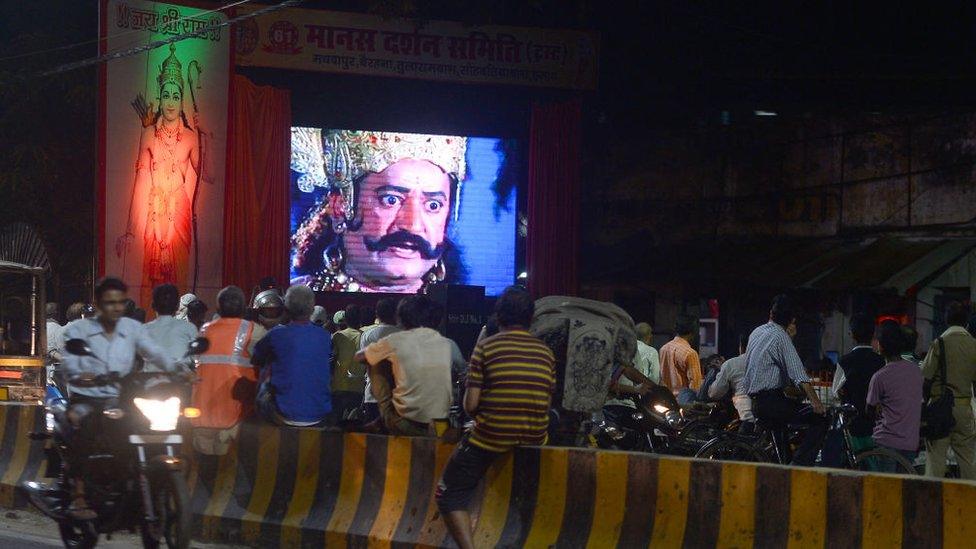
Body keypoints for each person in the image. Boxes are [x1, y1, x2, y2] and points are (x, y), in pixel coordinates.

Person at [436, 287, 555, 549]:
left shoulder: (486, 347)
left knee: (448, 494)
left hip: (491, 437)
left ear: (498, 316)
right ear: (531, 319)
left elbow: (470, 405)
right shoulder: (545, 352)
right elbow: (545, 403)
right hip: (536, 437)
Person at [290, 129, 468, 293]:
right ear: (340, 208)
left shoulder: (458, 306)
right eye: (391, 200)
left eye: (433, 206)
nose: (412, 225)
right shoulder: (298, 301)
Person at [61, 277, 174, 519]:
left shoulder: (132, 329)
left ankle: (128, 483)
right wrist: (83, 375)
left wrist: (178, 369)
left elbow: (153, 351)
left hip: (117, 397)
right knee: (85, 427)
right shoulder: (78, 330)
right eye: (109, 302)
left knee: (138, 424)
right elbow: (69, 363)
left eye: (120, 302)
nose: (115, 307)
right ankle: (78, 496)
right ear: (98, 302)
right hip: (85, 398)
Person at [116, 44, 211, 309]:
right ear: (160, 97)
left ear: (182, 99)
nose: (170, 101)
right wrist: (129, 232)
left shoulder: (191, 137)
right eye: (166, 94)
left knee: (178, 276)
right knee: (151, 277)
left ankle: (177, 327)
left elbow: (210, 175)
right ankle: (150, 326)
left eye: (175, 95)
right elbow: (139, 182)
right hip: (154, 210)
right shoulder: (148, 134)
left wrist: (206, 136)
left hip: (179, 211)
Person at [741, 294, 826, 466]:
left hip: (756, 401)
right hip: (772, 402)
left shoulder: (757, 332)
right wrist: (816, 403)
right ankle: (800, 466)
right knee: (821, 420)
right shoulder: (780, 336)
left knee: (783, 451)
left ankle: (786, 469)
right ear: (792, 320)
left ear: (771, 314)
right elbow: (799, 374)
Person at [356, 295, 453, 436]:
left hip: (405, 422)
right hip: (439, 423)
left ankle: (387, 416)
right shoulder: (446, 344)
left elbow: (359, 357)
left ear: (402, 317)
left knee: (376, 363)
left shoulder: (397, 340)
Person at [191, 286, 266, 455]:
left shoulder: (203, 330)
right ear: (244, 307)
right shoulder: (253, 331)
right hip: (235, 418)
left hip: (201, 417)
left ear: (218, 308)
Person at [252, 285, 334, 427]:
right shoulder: (325, 336)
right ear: (312, 308)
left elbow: (256, 359)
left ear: (286, 309)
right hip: (320, 414)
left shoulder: (276, 334)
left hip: (283, 414)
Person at [921, 301, 976, 479]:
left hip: (940, 408)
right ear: (966, 322)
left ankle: (933, 501)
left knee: (936, 459)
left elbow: (926, 377)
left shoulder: (940, 343)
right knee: (968, 458)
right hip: (965, 408)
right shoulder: (974, 344)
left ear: (946, 321)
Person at [866, 321, 923, 471]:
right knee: (902, 489)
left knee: (885, 490)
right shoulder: (916, 372)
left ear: (881, 346)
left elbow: (869, 410)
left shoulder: (880, 376)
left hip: (887, 442)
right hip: (910, 442)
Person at [830, 313, 885, 452]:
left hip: (852, 425)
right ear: (873, 335)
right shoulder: (881, 361)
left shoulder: (844, 361)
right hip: (876, 425)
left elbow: (835, 393)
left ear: (852, 335)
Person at [359, 298, 401, 422]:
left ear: (377, 314)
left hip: (373, 395)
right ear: (396, 314)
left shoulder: (367, 335)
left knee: (371, 439)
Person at [142, 284, 199, 374]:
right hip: (169, 381)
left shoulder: (144, 330)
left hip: (177, 382)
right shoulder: (190, 328)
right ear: (177, 307)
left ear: (153, 306)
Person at [659, 315, 703, 404]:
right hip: (683, 403)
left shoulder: (663, 348)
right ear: (693, 331)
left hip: (665, 400)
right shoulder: (690, 353)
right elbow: (695, 386)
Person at [331, 305, 365, 420]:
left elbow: (332, 360)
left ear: (346, 320)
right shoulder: (364, 337)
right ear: (360, 319)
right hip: (358, 387)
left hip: (339, 386)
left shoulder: (337, 336)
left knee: (336, 425)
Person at [709, 334, 753, 420]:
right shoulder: (768, 363)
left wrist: (721, 369)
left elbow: (714, 393)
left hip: (744, 417)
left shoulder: (731, 364)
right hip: (767, 416)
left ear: (741, 347)